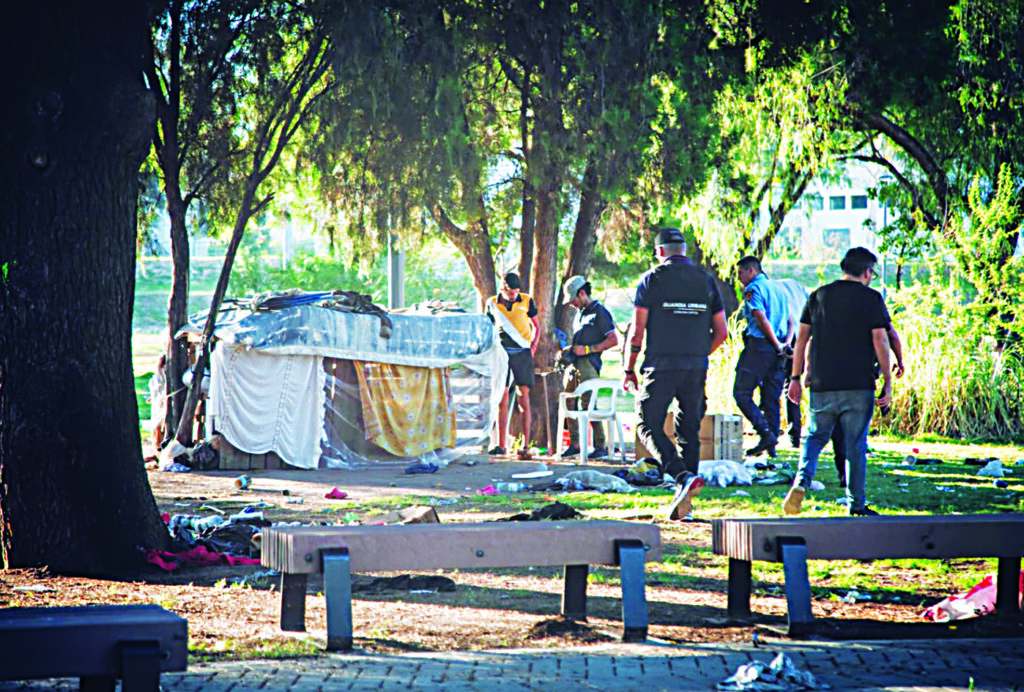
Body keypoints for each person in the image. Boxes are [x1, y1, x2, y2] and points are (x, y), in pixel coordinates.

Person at [623, 228, 729, 520]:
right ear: (683, 250)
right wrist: (698, 354)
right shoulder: (706, 281)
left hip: (660, 365)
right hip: (696, 366)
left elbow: (637, 329)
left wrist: (628, 368)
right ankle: (688, 504)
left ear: (659, 252)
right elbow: (722, 333)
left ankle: (681, 477)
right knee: (689, 430)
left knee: (646, 423)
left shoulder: (651, 279)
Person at [783, 247, 893, 517]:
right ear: (867, 272)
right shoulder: (871, 298)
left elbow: (801, 340)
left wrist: (795, 377)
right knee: (855, 444)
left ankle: (801, 482)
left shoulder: (819, 295)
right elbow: (880, 340)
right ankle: (856, 504)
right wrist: (888, 381)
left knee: (814, 436)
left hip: (823, 382)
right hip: (859, 384)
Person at [733, 256, 789, 458]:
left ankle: (764, 433)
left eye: (740, 273)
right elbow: (791, 319)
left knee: (742, 392)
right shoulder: (779, 289)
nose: (738, 278)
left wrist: (774, 343)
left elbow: (760, 316)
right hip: (780, 347)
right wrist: (783, 345)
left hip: (760, 346)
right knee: (771, 398)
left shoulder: (753, 290)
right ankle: (771, 447)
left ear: (751, 271)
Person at [560, 275, 619, 460]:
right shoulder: (580, 314)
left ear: (582, 293)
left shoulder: (600, 313)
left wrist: (587, 349)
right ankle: (575, 443)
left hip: (589, 365)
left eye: (573, 299)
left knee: (588, 403)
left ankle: (600, 445)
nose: (571, 304)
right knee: (569, 401)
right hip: (574, 365)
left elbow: (613, 340)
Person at [486, 271, 539, 460]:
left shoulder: (526, 300)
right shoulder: (492, 303)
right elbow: (488, 328)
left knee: (523, 398)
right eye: (510, 293)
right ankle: (501, 444)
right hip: (502, 354)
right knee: (502, 398)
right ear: (503, 289)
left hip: (522, 353)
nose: (513, 296)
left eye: (516, 292)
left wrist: (533, 346)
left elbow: (536, 326)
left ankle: (525, 445)